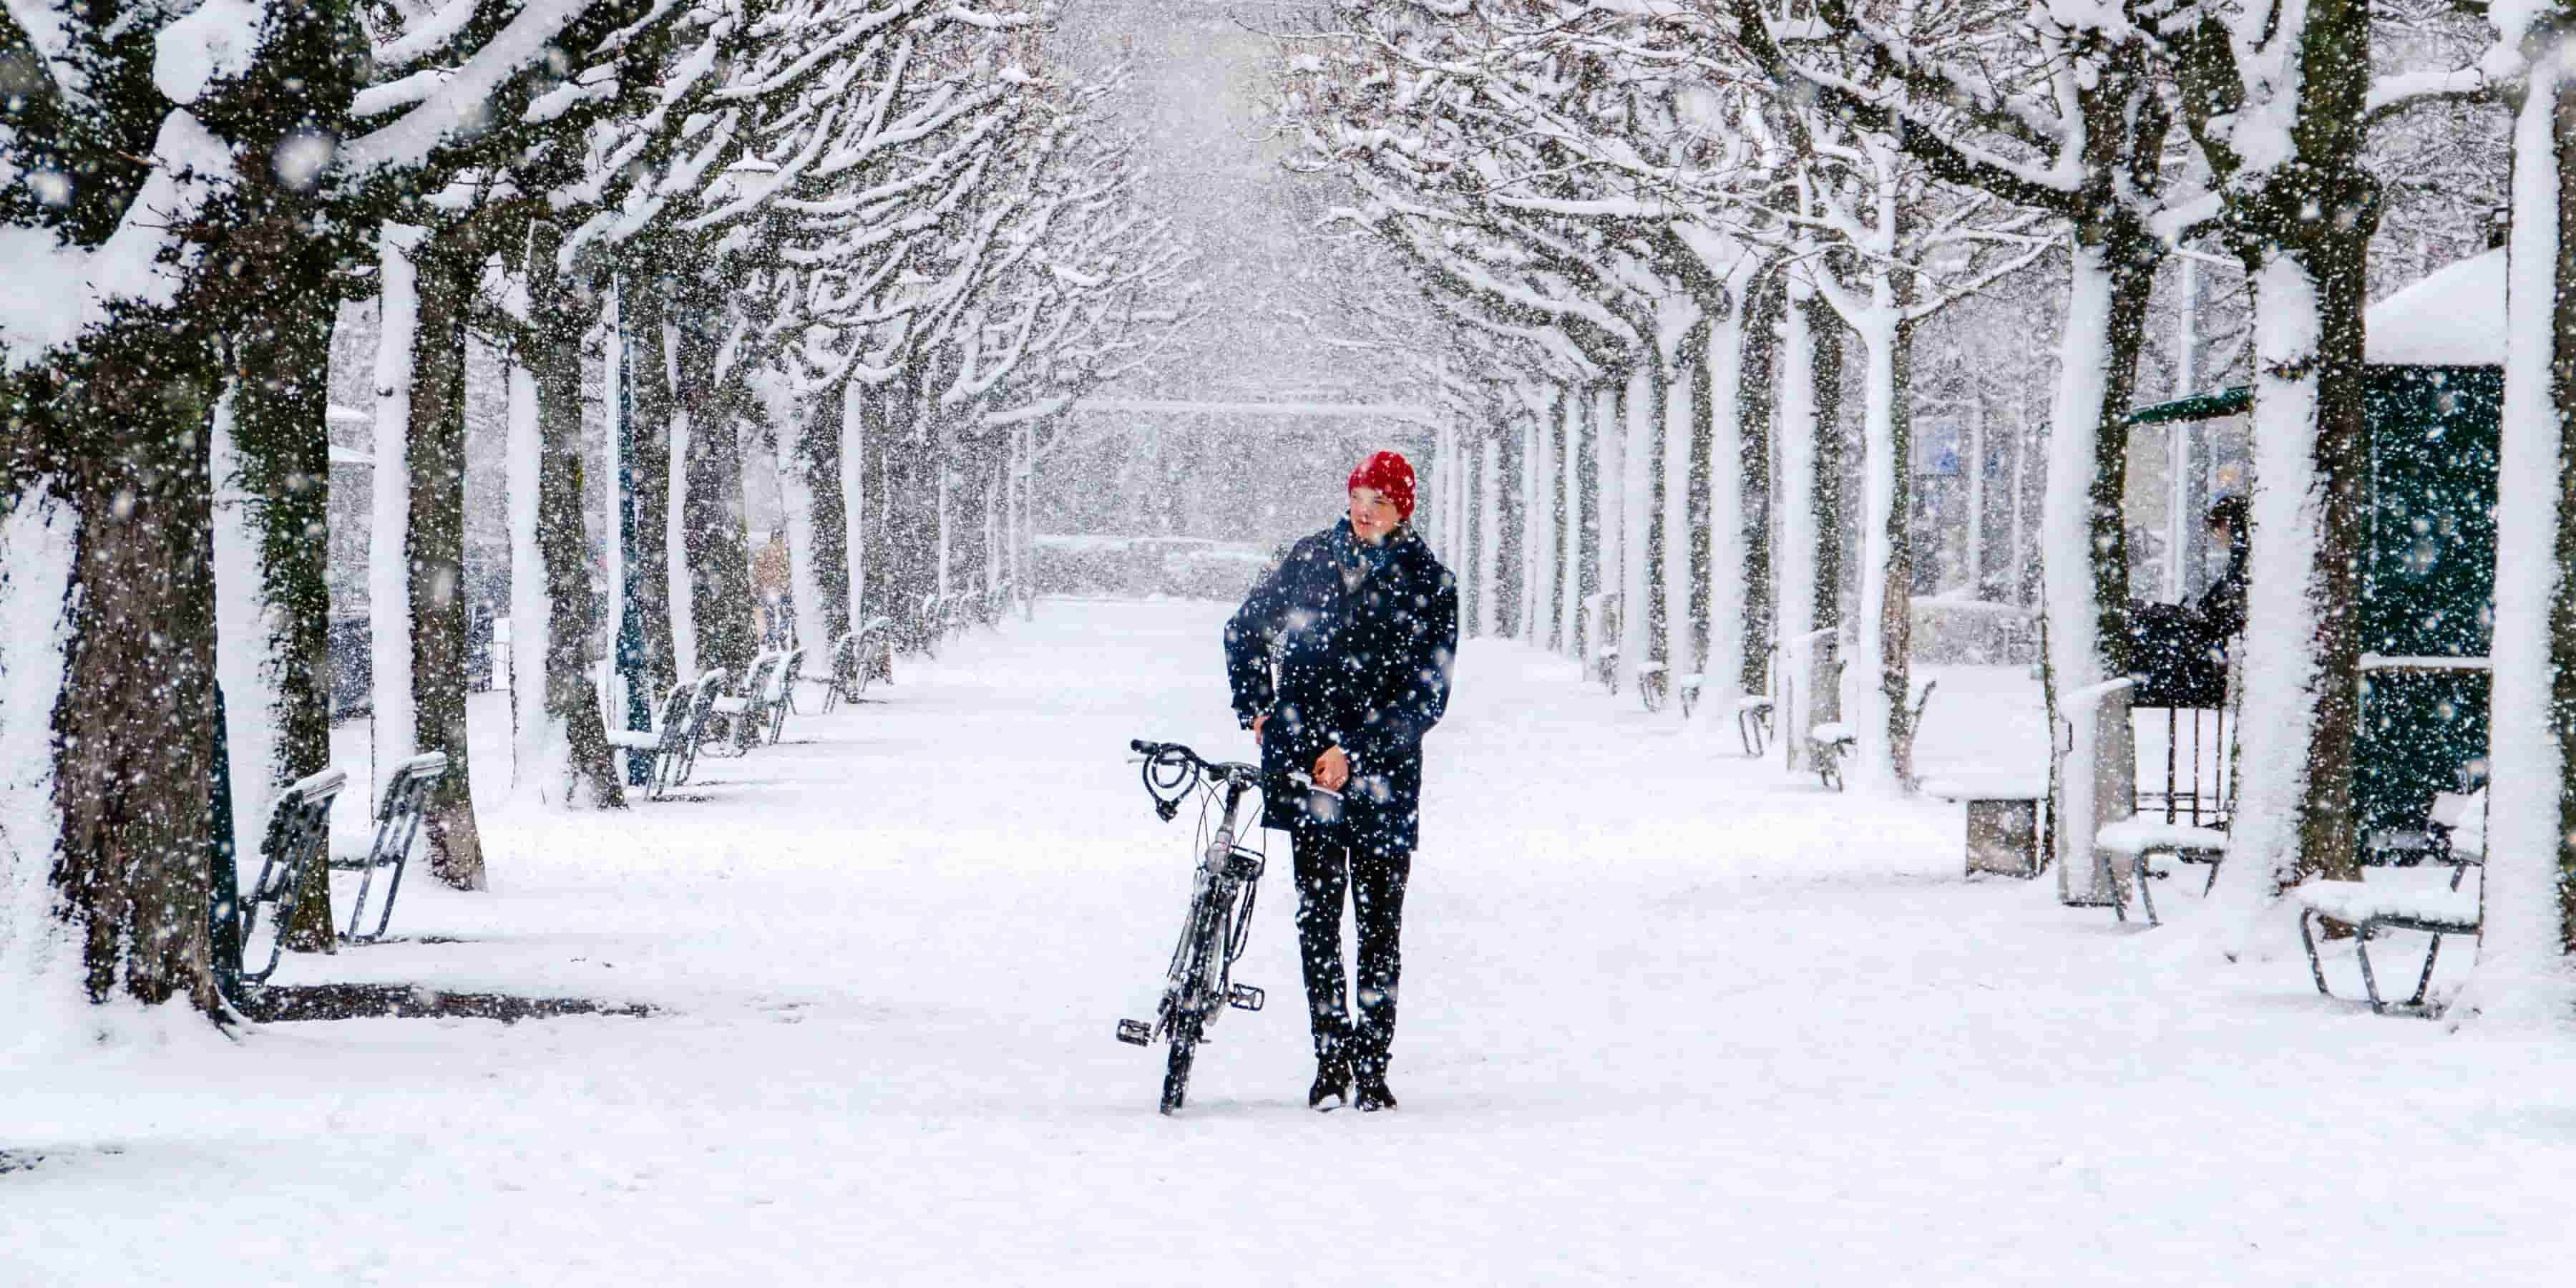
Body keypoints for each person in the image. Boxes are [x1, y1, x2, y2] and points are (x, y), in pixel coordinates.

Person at [1223, 451, 1458, 1113]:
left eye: (1380, 500)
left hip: (1383, 780)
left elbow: (1427, 695)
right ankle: (1330, 1060)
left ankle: (1373, 1064)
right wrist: (1259, 709)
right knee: (1317, 922)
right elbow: (1244, 630)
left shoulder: (1430, 583)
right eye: (1360, 495)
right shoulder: (1307, 560)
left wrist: (1355, 751)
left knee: (1380, 926)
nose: (1365, 509)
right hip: (1306, 775)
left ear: (1403, 509)